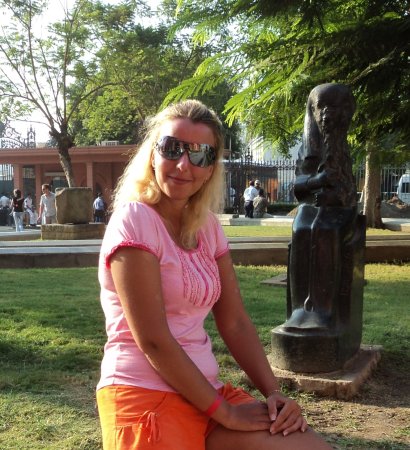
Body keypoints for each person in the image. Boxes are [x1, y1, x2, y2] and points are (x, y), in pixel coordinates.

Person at [96, 99, 332, 450]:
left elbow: (234, 322)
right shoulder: (135, 219)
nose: (183, 164)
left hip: (206, 392)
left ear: (210, 169)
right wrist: (226, 413)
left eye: (200, 155)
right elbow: (153, 340)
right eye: (172, 148)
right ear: (152, 154)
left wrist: (274, 393)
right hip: (143, 393)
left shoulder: (206, 227)